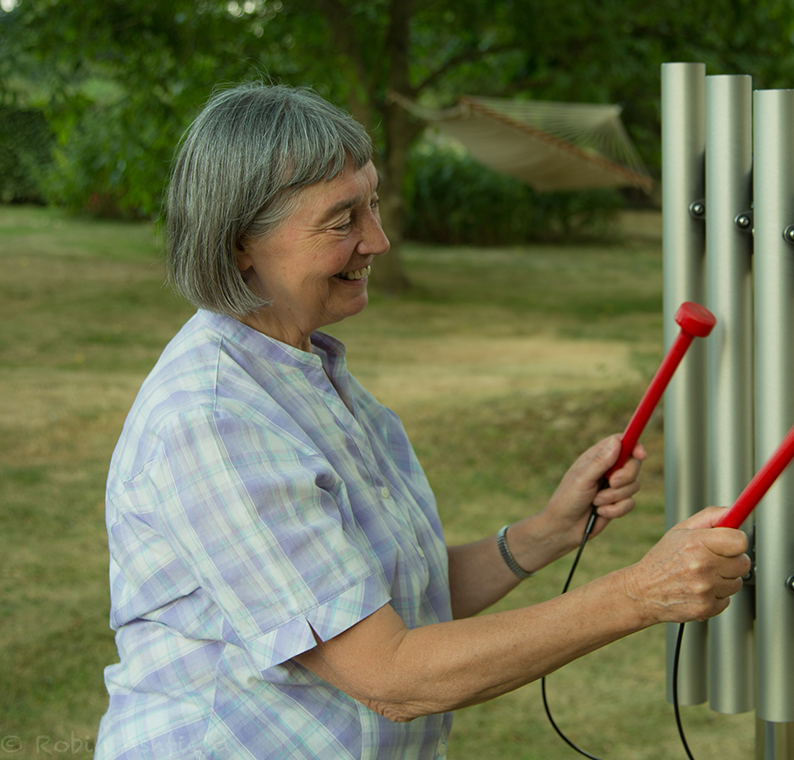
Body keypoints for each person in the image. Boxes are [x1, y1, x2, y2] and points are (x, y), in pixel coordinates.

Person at [94, 82, 750, 760]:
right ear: (239, 244)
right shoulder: (216, 423)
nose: (376, 239)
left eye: (371, 202)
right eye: (342, 219)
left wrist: (543, 534)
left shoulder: (308, 374)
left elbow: (391, 596)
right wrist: (641, 594)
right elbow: (391, 676)